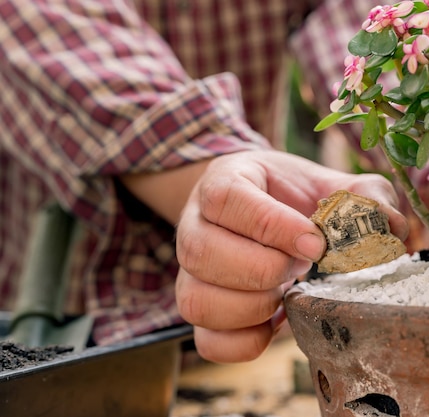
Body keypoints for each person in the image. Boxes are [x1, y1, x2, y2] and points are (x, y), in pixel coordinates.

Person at [0, 0, 407, 363]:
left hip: (263, 307)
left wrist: (419, 145)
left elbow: (354, 22)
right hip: (58, 323)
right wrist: (227, 179)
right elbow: (57, 41)